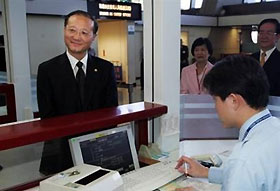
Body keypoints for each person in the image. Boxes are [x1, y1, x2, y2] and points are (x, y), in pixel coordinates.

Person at [175, 55, 280, 191]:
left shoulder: (243, 160)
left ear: (233, 101)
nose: (215, 107)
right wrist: (206, 172)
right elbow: (252, 178)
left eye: (215, 100)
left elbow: (243, 172)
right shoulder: (274, 128)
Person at [37, 10, 118, 175]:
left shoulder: (105, 68)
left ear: (93, 37)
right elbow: (48, 116)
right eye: (72, 30)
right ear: (64, 30)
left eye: (84, 32)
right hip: (61, 152)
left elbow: (111, 112)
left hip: (97, 148)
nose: (76, 37)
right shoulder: (47, 69)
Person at [251, 18, 280, 96]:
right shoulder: (250, 59)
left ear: (277, 37)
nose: (264, 36)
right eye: (261, 32)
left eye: (269, 33)